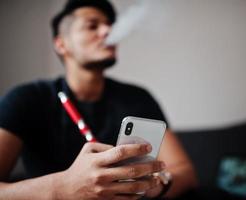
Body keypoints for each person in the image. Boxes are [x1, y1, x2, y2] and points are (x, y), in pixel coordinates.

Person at [0, 0, 199, 199]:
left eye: (109, 25)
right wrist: (63, 188)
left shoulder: (138, 98)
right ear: (61, 44)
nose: (107, 31)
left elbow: (184, 172)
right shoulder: (25, 99)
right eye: (92, 25)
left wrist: (152, 186)